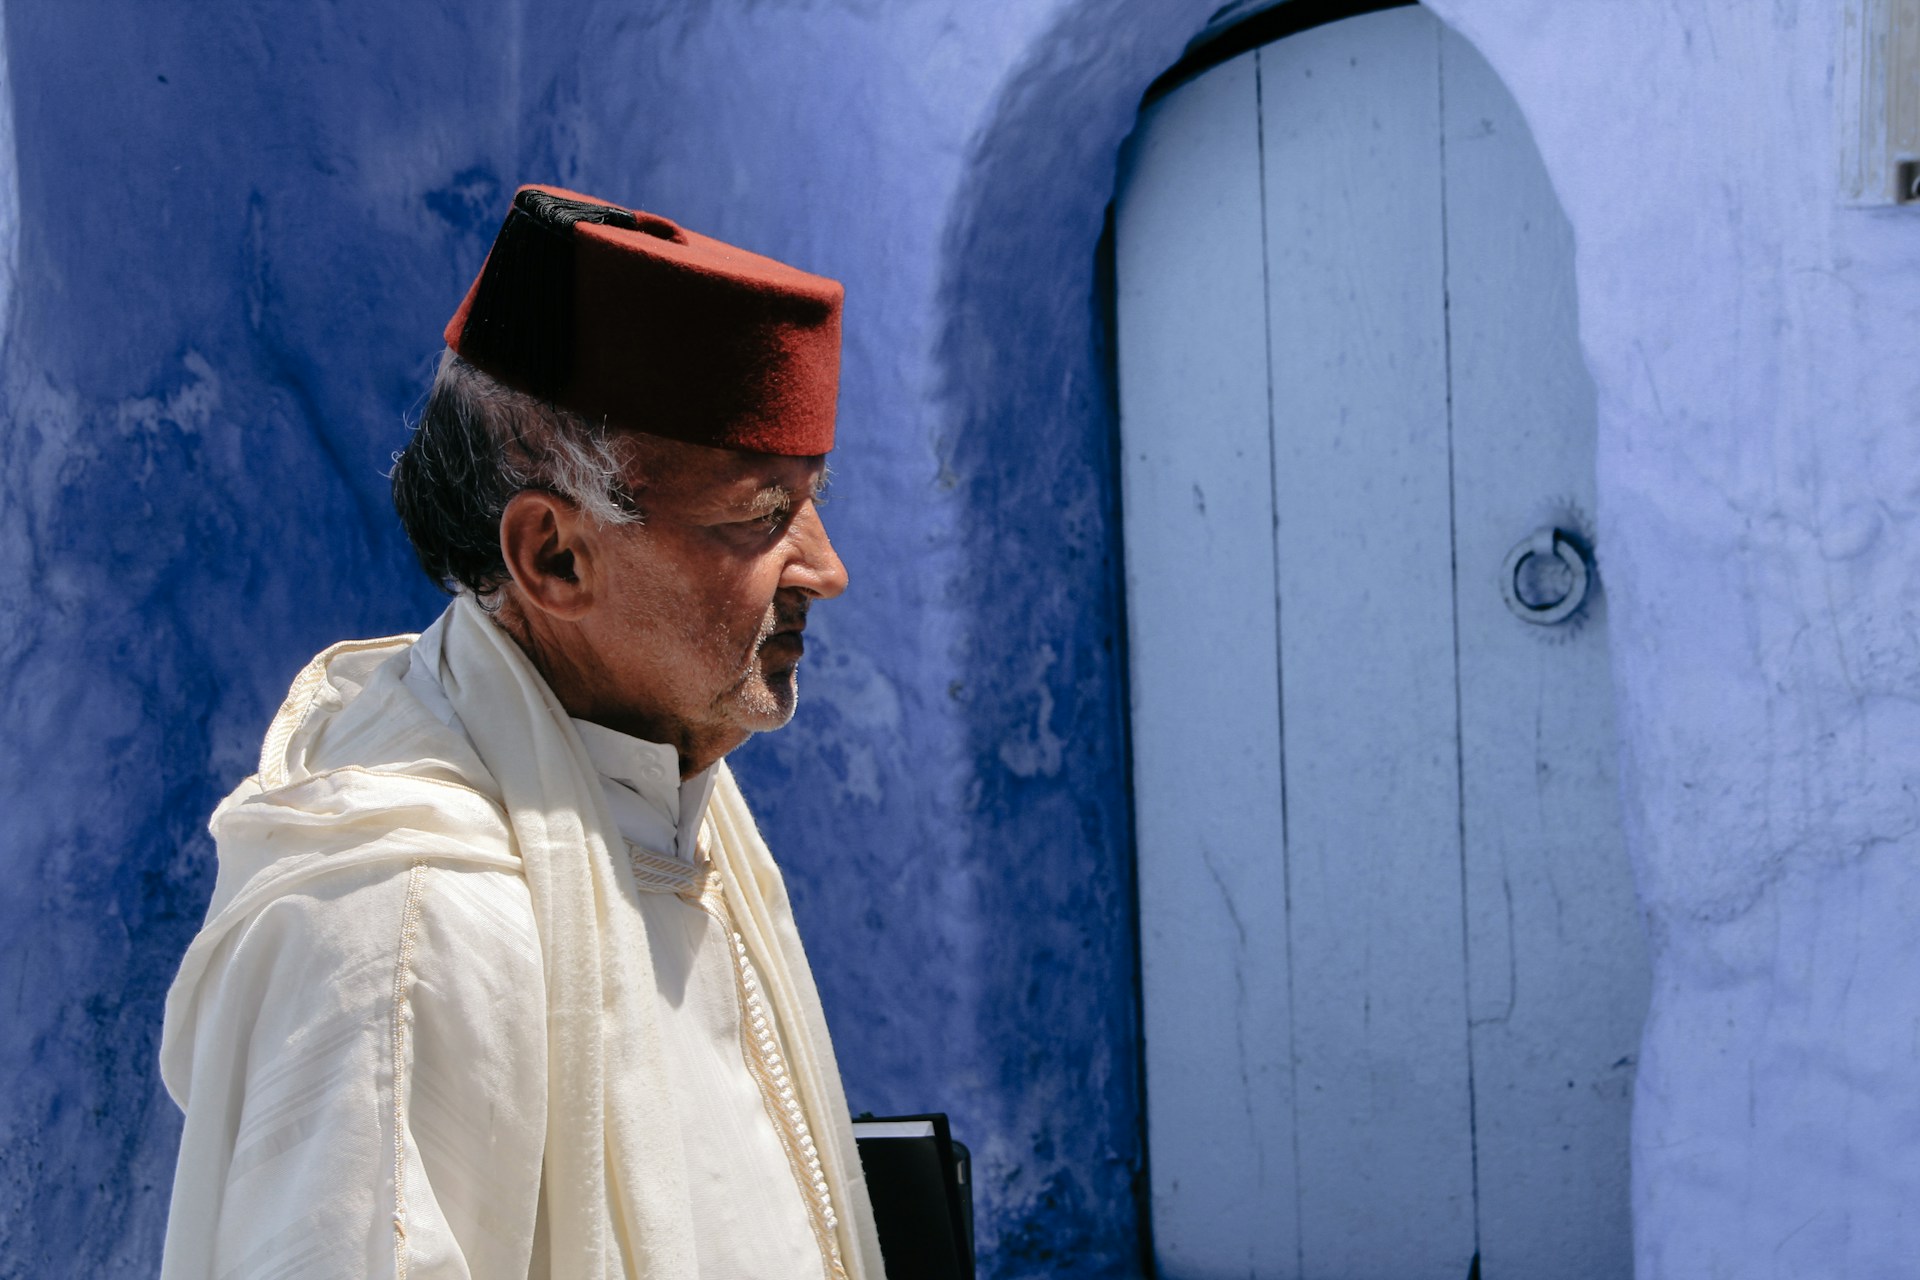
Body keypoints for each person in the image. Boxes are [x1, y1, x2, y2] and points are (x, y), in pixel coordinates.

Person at [157, 185, 887, 1279]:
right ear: (553, 556)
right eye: (761, 517)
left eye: (812, 501)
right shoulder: (404, 925)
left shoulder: (675, 816)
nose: (825, 570)